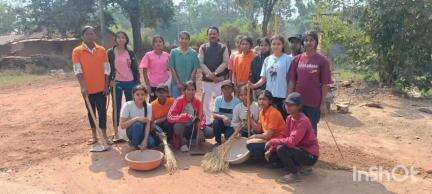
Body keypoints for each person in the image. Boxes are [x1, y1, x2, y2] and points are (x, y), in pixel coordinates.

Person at [265, 92, 319, 183]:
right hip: (299, 150)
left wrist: (272, 141)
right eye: (286, 104)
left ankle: (295, 174)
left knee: (281, 148)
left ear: (299, 106)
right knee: (274, 153)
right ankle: (301, 167)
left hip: (310, 155)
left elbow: (291, 141)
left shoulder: (303, 121)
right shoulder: (289, 118)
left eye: (291, 105)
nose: (287, 107)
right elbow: (284, 135)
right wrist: (272, 147)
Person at [72, 26, 111, 145]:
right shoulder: (77, 51)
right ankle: (94, 136)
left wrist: (106, 85)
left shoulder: (101, 50)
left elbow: (107, 69)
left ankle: (104, 135)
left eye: (92, 33)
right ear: (83, 36)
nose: (90, 36)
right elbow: (77, 70)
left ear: (95, 35)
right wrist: (83, 87)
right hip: (88, 89)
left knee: (102, 112)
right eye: (87, 34)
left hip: (101, 88)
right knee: (91, 112)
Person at [288, 31, 333, 135]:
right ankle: (298, 150)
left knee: (311, 129)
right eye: (306, 40)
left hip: (313, 102)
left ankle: (311, 151)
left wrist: (323, 104)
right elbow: (292, 81)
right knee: (296, 128)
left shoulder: (322, 61)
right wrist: (289, 99)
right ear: (303, 42)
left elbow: (325, 84)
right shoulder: (297, 59)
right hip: (297, 101)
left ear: (316, 42)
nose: (308, 42)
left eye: (311, 40)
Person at [249, 35, 293, 119]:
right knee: (269, 120)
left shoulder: (288, 59)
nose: (276, 46)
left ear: (283, 45)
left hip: (282, 97)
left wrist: (288, 96)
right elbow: (263, 79)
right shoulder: (267, 60)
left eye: (278, 44)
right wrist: (253, 85)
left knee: (281, 121)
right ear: (271, 45)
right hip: (269, 97)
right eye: (274, 44)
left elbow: (291, 80)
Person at [107, 31, 140, 139]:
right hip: (116, 82)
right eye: (118, 37)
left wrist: (137, 82)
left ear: (126, 39)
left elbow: (135, 68)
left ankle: (129, 132)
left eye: (123, 37)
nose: (121, 39)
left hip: (130, 82)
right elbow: (107, 69)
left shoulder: (130, 52)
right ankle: (117, 132)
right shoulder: (110, 52)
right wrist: (109, 82)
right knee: (116, 107)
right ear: (115, 39)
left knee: (130, 106)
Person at [167, 81, 212, 152]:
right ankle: (182, 142)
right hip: (182, 127)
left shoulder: (198, 102)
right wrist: (184, 116)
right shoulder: (178, 101)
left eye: (193, 89)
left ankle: (193, 139)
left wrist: (200, 128)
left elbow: (202, 117)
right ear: (184, 91)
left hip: (194, 126)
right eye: (188, 90)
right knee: (178, 126)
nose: (191, 92)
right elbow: (170, 117)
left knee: (210, 132)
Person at [198, 26, 229, 125]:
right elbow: (201, 63)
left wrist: (215, 73)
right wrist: (209, 74)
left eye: (214, 34)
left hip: (219, 80)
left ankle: (219, 122)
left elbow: (225, 62)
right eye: (210, 34)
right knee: (206, 102)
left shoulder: (223, 47)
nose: (212, 35)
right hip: (207, 80)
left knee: (220, 100)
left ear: (218, 35)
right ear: (207, 35)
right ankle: (207, 121)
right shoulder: (203, 47)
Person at [246, 90, 286, 161]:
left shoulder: (274, 113)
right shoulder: (261, 112)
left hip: (278, 140)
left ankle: (272, 159)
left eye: (264, 99)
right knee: (252, 136)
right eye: (259, 99)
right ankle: (268, 157)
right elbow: (258, 129)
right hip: (269, 138)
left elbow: (268, 135)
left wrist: (254, 137)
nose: (261, 101)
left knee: (251, 144)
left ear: (270, 101)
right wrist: (250, 118)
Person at [118, 85, 159, 150]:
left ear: (146, 95)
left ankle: (141, 143)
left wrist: (145, 140)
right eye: (137, 94)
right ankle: (134, 145)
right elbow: (122, 126)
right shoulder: (127, 105)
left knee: (151, 144)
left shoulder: (148, 106)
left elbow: (148, 125)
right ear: (133, 95)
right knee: (138, 124)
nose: (140, 97)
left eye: (142, 94)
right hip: (131, 132)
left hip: (143, 131)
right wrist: (136, 118)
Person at [169, 31, 200, 98]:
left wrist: (188, 84)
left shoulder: (193, 53)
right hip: (176, 85)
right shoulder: (173, 52)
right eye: (182, 38)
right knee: (176, 104)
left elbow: (194, 69)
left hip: (190, 86)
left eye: (186, 39)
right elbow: (172, 68)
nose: (184, 40)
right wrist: (178, 83)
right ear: (179, 40)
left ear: (189, 40)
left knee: (189, 105)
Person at [140, 35, 171, 102]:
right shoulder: (148, 55)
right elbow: (144, 72)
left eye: (160, 41)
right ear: (153, 44)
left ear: (163, 43)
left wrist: (169, 82)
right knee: (153, 105)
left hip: (165, 85)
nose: (158, 43)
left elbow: (170, 69)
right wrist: (148, 86)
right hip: (153, 85)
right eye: (156, 42)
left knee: (165, 104)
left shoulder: (167, 55)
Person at [212, 80, 241, 145]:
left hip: (232, 125)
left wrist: (230, 121)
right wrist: (223, 117)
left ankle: (227, 138)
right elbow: (214, 114)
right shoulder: (218, 99)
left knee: (228, 137)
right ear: (222, 90)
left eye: (229, 88)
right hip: (221, 123)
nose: (227, 90)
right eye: (224, 89)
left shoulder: (237, 101)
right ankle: (218, 142)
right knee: (215, 123)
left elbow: (238, 118)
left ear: (232, 90)